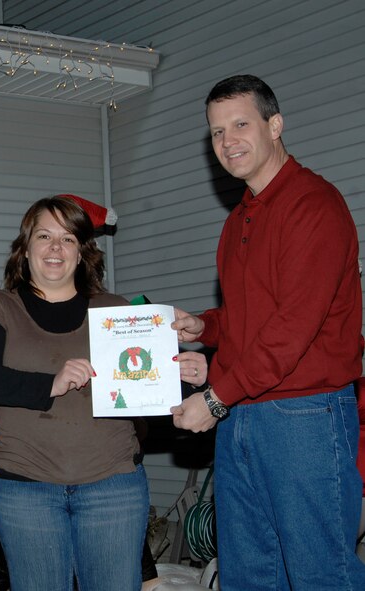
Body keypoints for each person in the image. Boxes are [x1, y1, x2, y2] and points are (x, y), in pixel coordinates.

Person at [171, 75, 365, 590]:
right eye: (217, 132)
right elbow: (252, 316)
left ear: (274, 125)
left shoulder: (313, 205)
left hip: (304, 416)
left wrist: (215, 400)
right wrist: (206, 325)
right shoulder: (238, 220)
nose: (227, 141)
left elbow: (292, 328)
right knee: (248, 574)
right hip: (244, 412)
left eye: (240, 125)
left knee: (321, 573)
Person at [0, 195, 207, 591]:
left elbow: (150, 388)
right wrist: (50, 383)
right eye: (44, 236)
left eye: (68, 238)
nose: (55, 247)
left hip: (113, 487)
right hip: (25, 489)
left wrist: (188, 379)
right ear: (25, 249)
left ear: (81, 253)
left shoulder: (117, 312)